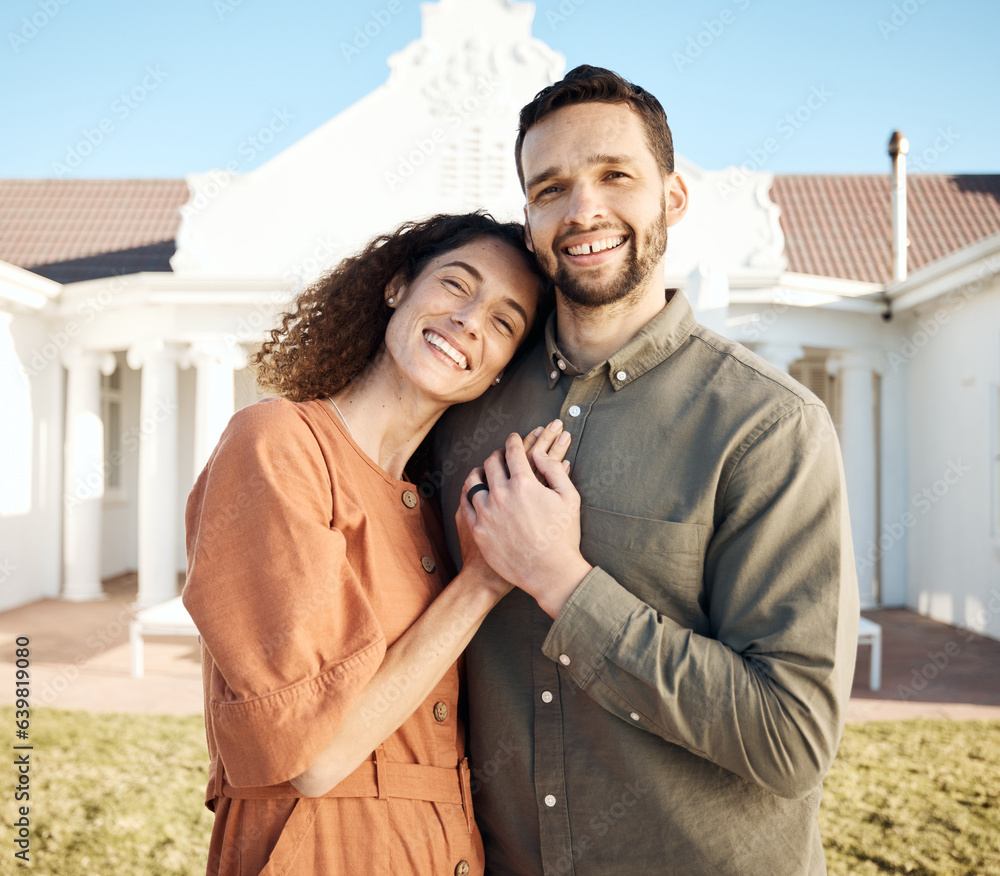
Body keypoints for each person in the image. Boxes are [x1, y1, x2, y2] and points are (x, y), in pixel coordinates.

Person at [432, 66, 860, 875]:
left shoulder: (768, 425)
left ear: (673, 198)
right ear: (529, 222)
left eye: (614, 176)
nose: (583, 209)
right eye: (550, 188)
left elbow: (791, 736)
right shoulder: (467, 403)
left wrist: (561, 580)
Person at [182, 211, 568, 875]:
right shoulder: (278, 445)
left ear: (501, 370)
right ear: (397, 287)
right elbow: (314, 758)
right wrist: (482, 582)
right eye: (456, 285)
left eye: (504, 322)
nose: (471, 321)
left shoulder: (433, 511)